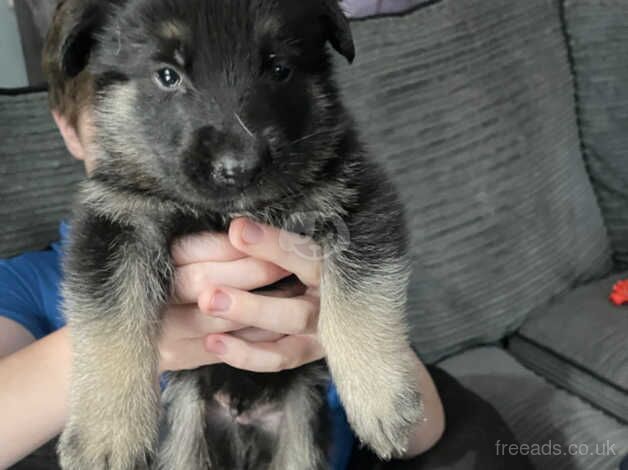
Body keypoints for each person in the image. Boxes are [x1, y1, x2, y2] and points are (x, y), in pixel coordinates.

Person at [0, 18, 445, 470]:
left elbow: (418, 432)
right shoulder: (26, 284)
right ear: (70, 129)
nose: (236, 158)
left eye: (275, 71)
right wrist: (138, 355)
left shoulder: (318, 178)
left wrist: (348, 332)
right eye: (167, 78)